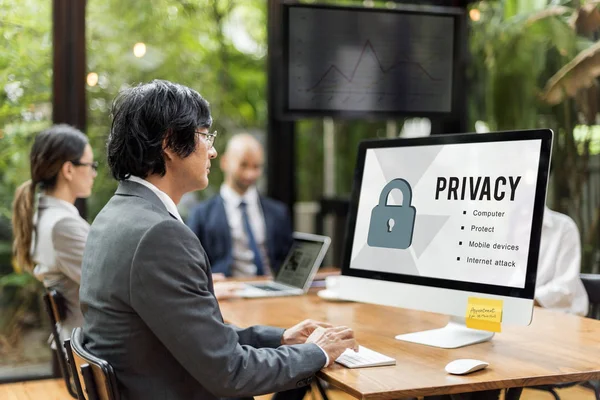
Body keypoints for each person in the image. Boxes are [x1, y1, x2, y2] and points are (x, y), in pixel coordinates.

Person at [79, 79, 357, 400]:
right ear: (170, 143)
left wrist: (280, 338)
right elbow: (230, 373)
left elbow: (199, 335)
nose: (212, 150)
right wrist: (317, 353)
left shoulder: (115, 215)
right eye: (205, 135)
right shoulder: (159, 234)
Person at [12, 124, 96, 344]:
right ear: (68, 170)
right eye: (90, 165)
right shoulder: (62, 225)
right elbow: (109, 286)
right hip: (93, 347)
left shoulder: (42, 217)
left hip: (79, 343)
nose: (94, 173)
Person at [187, 133, 293, 277]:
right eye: (243, 165)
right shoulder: (201, 215)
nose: (250, 174)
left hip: (273, 289)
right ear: (225, 162)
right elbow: (191, 264)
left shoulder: (278, 212)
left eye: (256, 166)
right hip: (227, 292)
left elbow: (288, 261)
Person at [534, 206, 589, 316]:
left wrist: (520, 301)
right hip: (513, 314)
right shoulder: (503, 226)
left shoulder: (564, 227)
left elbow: (564, 288)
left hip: (558, 318)